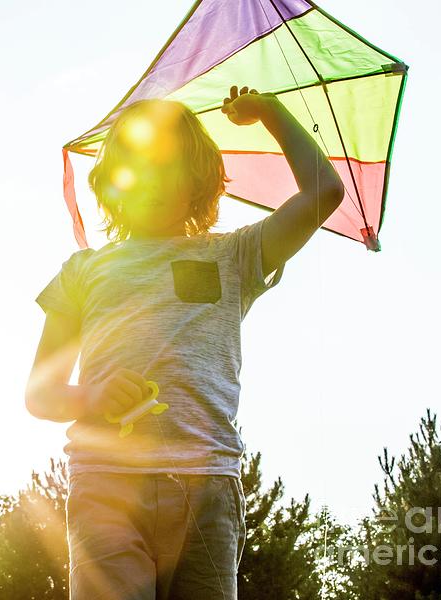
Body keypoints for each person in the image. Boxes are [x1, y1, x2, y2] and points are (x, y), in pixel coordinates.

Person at [26, 86, 345, 599]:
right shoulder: (82, 271)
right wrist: (91, 397)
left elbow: (324, 192)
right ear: (112, 180)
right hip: (107, 486)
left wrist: (270, 112)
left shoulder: (236, 256)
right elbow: (39, 395)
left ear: (198, 179)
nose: (150, 179)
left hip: (207, 488)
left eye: (167, 166)